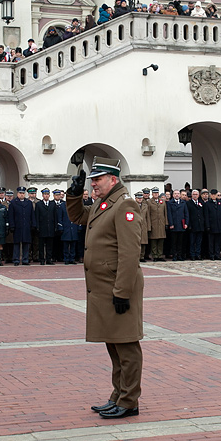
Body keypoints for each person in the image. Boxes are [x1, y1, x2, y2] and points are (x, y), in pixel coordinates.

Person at [65, 157, 143, 419]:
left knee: (127, 346)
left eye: (97, 180)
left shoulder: (125, 205)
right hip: (103, 287)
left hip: (117, 287)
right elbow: (78, 216)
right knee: (113, 344)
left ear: (113, 179)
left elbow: (130, 253)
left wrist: (122, 292)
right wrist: (75, 194)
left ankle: (129, 401)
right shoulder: (104, 203)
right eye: (92, 180)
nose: (94, 184)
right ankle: (118, 395)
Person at [7, 187, 34, 265]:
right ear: (17, 194)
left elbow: (32, 214)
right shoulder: (13, 203)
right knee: (16, 244)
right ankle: (16, 259)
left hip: (26, 226)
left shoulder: (28, 203)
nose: (21, 195)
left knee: (26, 243)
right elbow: (11, 215)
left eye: (23, 193)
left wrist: (33, 224)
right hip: (17, 226)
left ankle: (25, 259)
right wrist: (11, 225)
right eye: (20, 193)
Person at [165, 189, 188, 261]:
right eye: (175, 193)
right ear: (173, 195)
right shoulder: (170, 203)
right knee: (174, 242)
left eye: (178, 193)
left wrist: (186, 223)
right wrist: (171, 224)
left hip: (181, 225)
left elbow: (186, 214)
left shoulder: (183, 203)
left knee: (180, 242)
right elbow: (169, 214)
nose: (177, 195)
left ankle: (179, 255)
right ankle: (174, 255)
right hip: (174, 225)